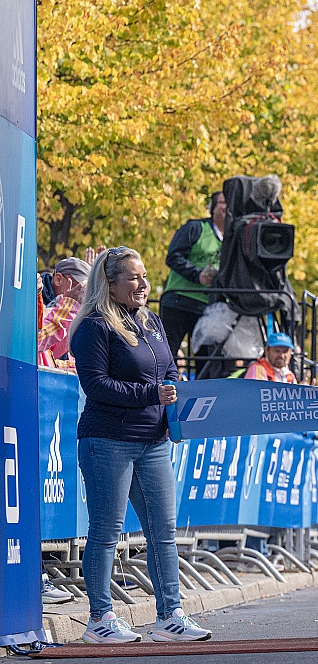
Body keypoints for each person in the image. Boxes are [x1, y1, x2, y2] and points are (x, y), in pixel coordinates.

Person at [68, 247, 212, 642]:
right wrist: (153, 394)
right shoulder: (93, 327)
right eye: (133, 277)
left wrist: (174, 387)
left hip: (155, 441)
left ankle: (170, 616)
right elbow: (96, 385)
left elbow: (169, 369)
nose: (143, 283)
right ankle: (99, 619)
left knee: (163, 531)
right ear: (109, 283)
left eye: (145, 275)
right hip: (107, 440)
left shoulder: (151, 322)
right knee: (106, 532)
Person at [161, 192, 226, 357]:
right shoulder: (196, 228)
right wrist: (197, 275)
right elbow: (173, 256)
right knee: (168, 355)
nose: (227, 207)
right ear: (212, 208)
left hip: (209, 307)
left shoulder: (233, 240)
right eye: (223, 202)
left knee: (207, 360)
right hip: (179, 300)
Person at [37, 257, 91, 368]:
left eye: (87, 289)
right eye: (79, 286)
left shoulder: (71, 309)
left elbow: (53, 353)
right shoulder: (37, 302)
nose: (82, 293)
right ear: (58, 279)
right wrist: (69, 306)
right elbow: (35, 344)